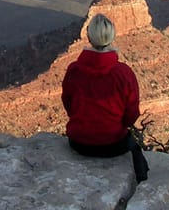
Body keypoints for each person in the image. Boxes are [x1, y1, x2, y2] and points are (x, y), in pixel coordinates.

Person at [61, 13, 149, 182]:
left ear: (88, 36)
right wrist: (116, 126)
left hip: (78, 142)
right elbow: (132, 113)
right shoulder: (123, 73)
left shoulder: (74, 70)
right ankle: (140, 187)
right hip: (113, 144)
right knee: (136, 153)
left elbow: (68, 103)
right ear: (112, 37)